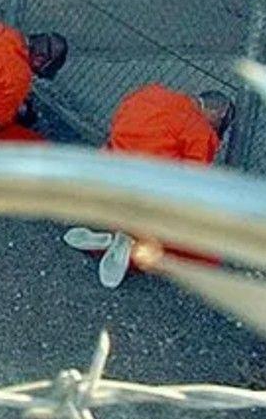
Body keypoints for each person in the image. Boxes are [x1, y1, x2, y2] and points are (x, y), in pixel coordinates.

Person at [64, 86, 235, 287]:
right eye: (221, 124)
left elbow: (117, 122)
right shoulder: (201, 132)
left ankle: (112, 234)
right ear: (218, 113)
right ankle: (127, 243)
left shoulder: (151, 93)